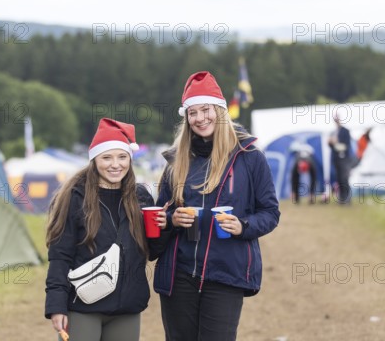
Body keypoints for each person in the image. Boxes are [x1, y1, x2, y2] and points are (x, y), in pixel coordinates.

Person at [152, 71, 280, 341]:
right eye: (193, 113)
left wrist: (243, 226)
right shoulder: (176, 161)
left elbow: (270, 212)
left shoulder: (250, 156)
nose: (200, 118)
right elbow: (160, 214)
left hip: (225, 273)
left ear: (220, 110)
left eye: (206, 110)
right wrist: (173, 219)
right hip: (179, 274)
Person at [45, 118, 167, 341]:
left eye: (122, 157)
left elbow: (152, 251)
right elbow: (60, 255)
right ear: (94, 160)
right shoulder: (75, 198)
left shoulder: (141, 197)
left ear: (130, 159)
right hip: (83, 306)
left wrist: (164, 228)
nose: (115, 164)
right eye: (107, 157)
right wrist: (56, 305)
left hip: (127, 308)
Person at [328, 114, 353, 204]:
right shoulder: (333, 132)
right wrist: (330, 143)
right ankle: (341, 198)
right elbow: (331, 146)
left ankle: (347, 198)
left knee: (344, 178)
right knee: (339, 179)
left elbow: (346, 146)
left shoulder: (345, 131)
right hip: (336, 159)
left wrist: (336, 143)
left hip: (344, 159)